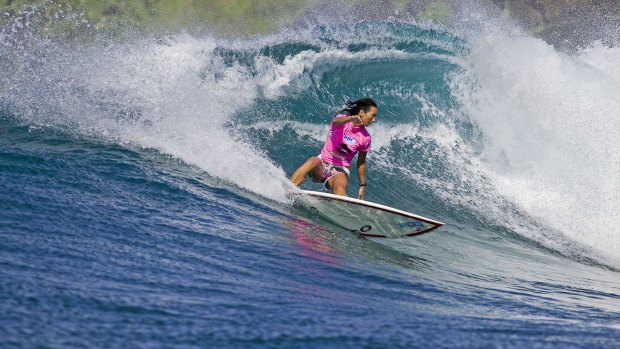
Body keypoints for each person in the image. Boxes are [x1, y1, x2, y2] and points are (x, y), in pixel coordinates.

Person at [290, 98, 377, 200]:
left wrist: (363, 185)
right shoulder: (342, 120)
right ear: (362, 112)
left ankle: (340, 211)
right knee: (311, 161)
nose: (374, 120)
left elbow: (361, 162)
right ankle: (288, 190)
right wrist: (350, 119)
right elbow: (335, 121)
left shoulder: (365, 138)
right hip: (322, 163)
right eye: (373, 115)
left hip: (340, 170)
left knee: (339, 187)